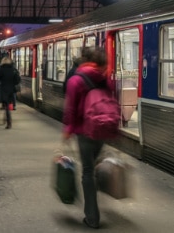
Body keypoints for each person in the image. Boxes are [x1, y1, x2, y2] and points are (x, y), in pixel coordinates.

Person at [62, 47, 108, 229]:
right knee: (95, 166)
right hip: (102, 130)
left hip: (84, 131)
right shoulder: (104, 78)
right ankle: (98, 192)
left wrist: (68, 130)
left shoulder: (76, 80)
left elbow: (71, 110)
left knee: (87, 172)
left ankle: (92, 217)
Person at [0, 56, 18, 129]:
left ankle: (9, 122)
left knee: (6, 106)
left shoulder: (1, 69)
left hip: (4, 89)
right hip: (11, 90)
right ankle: (6, 119)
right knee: (8, 105)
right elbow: (17, 80)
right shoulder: (13, 69)